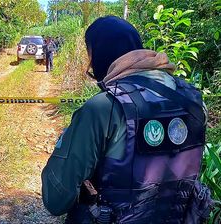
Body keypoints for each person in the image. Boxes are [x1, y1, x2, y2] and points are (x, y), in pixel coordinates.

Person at [41, 16, 213, 224]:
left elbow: (55, 199)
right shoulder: (193, 100)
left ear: (101, 55)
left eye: (90, 58)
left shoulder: (103, 107)